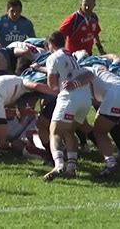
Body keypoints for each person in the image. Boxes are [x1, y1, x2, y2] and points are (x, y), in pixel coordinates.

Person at [41, 31, 93, 181]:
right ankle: (71, 168)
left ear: (50, 44)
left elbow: (52, 86)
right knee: (69, 131)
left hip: (69, 98)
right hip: (84, 99)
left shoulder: (52, 58)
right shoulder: (71, 56)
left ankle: (58, 165)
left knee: (55, 131)